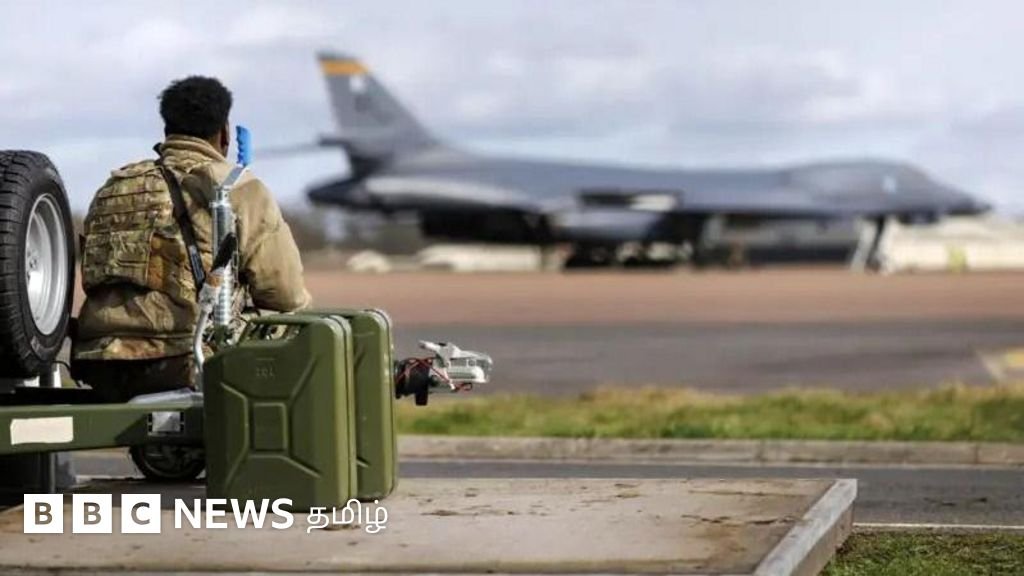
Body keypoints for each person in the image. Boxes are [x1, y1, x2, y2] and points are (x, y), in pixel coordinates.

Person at [72, 76, 311, 401]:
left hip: (98, 361)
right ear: (225, 133)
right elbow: (286, 295)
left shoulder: (115, 185)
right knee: (305, 325)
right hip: (185, 360)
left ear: (167, 130)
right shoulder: (238, 187)